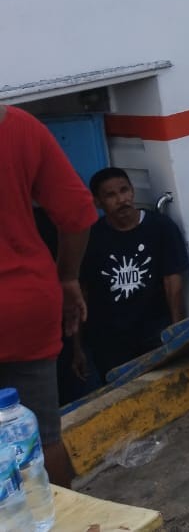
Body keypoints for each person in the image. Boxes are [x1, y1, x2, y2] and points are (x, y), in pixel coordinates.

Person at [0, 104, 96, 486]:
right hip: (26, 302)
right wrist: (67, 277)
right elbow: (77, 212)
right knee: (41, 436)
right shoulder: (19, 125)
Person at [74, 169, 188, 379]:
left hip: (154, 332)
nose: (121, 200)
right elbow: (81, 293)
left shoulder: (160, 228)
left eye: (124, 191)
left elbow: (173, 283)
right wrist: (77, 347)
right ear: (98, 202)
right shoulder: (91, 239)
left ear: (132, 192)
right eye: (110, 195)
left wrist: (177, 331)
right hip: (109, 341)